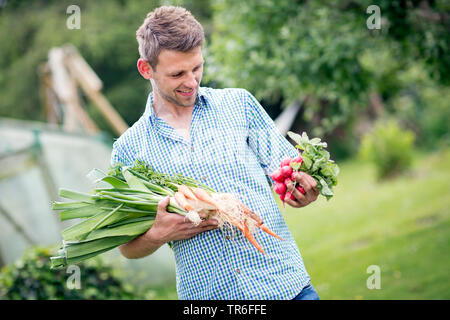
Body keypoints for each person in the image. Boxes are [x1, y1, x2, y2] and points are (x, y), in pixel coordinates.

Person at [111, 5, 320, 300]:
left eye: (197, 68)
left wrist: (301, 190)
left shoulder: (240, 104)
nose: (191, 81)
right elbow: (126, 247)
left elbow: (288, 174)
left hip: (286, 286)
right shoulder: (128, 150)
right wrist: (159, 233)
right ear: (146, 69)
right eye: (177, 73)